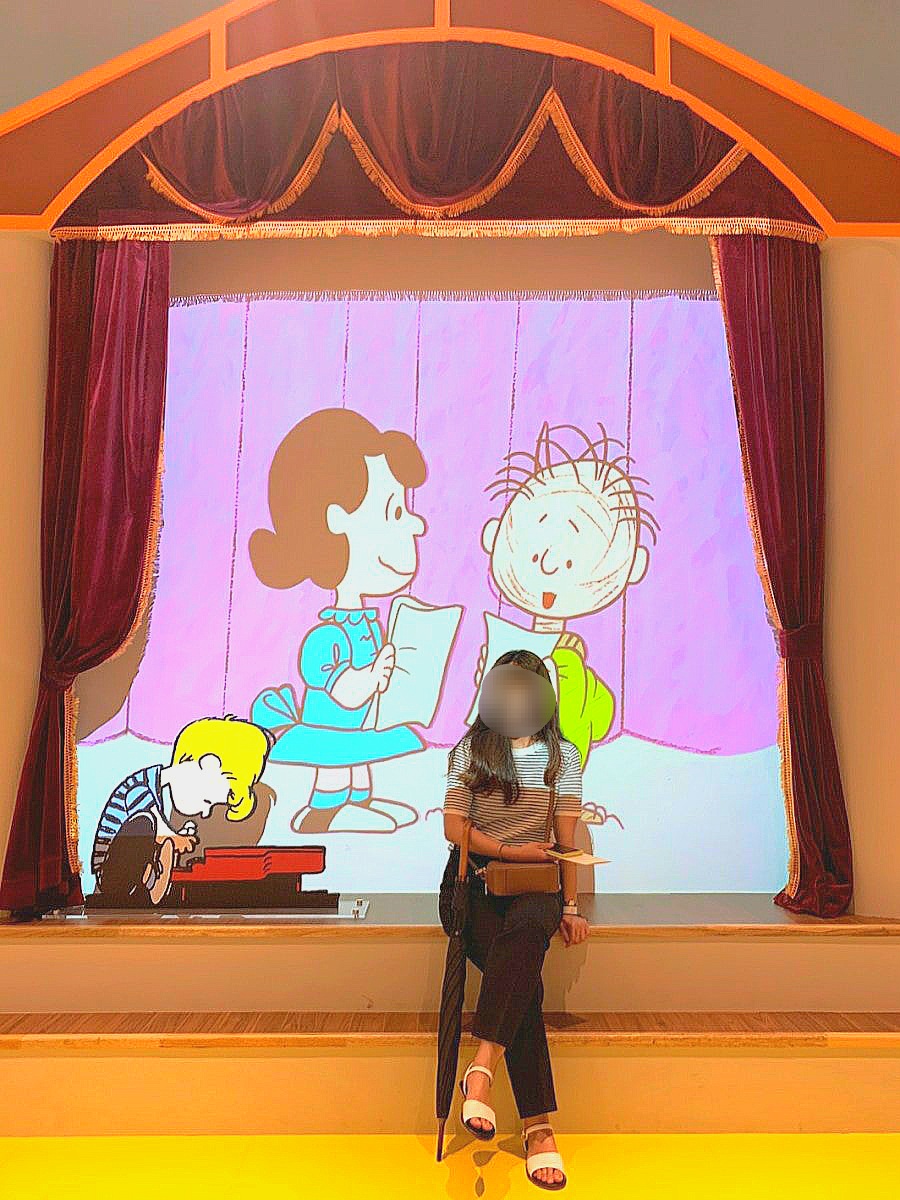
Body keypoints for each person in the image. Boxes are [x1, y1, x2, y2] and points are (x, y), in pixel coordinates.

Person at [440, 649, 589, 1191]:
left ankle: (480, 1069)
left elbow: (565, 840)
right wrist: (509, 849)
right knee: (523, 981)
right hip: (472, 885)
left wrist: (570, 907)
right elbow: (454, 828)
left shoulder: (562, 757)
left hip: (535, 886)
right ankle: (538, 1130)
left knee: (525, 940)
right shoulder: (470, 751)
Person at [87, 715, 270, 907]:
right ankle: (148, 880)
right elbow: (148, 821)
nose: (205, 813)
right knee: (144, 823)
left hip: (138, 869)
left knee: (160, 836)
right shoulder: (140, 787)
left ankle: (152, 878)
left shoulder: (157, 794)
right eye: (207, 801)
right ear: (209, 764)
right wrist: (175, 838)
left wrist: (175, 838)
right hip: (110, 872)